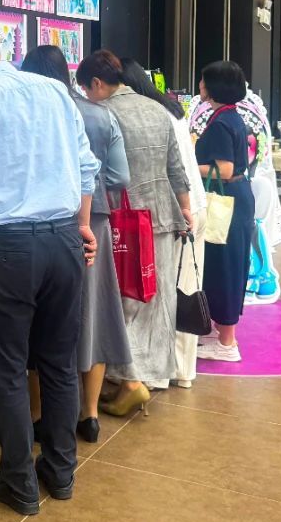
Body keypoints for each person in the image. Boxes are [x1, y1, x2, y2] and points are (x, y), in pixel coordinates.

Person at [0, 20, 99, 515]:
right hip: (64, 239)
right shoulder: (54, 91)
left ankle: (19, 482)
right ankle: (61, 471)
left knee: (8, 369)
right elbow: (86, 166)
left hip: (8, 247)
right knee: (58, 361)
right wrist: (83, 225)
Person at [20, 46, 130, 443]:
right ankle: (90, 414)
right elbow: (120, 176)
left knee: (41, 318)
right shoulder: (99, 114)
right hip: (93, 221)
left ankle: (38, 415)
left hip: (41, 225)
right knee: (93, 314)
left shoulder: (27, 114)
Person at [77, 51, 191, 417]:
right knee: (154, 301)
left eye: (86, 89)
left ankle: (128, 381)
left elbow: (103, 173)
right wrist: (186, 209)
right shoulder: (158, 109)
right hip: (164, 216)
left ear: (97, 83)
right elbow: (175, 168)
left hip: (123, 219)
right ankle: (147, 377)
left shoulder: (104, 114)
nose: (86, 96)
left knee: (120, 302)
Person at [119, 58, 207, 390]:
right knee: (183, 290)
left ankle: (157, 376)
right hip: (193, 205)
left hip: (174, 210)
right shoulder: (170, 109)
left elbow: (170, 168)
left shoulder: (147, 114)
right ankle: (182, 371)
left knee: (164, 296)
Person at [194, 61, 256, 362]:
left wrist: (188, 165)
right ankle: (217, 331)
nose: (200, 85)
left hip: (227, 201)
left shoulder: (221, 122)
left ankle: (227, 342)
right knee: (221, 264)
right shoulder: (229, 116)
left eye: (204, 80)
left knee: (226, 266)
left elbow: (225, 169)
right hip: (234, 199)